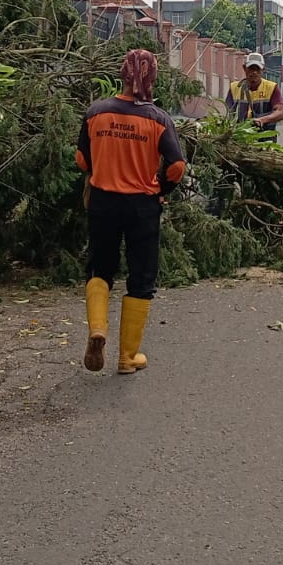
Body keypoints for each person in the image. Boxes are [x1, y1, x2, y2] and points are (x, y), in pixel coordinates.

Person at [77, 49, 187, 374]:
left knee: (100, 267)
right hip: (142, 206)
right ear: (151, 77)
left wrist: (103, 167)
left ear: (122, 75)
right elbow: (177, 166)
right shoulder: (158, 119)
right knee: (141, 276)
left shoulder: (95, 112)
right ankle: (127, 358)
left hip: (102, 201)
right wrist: (160, 189)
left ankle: (98, 329)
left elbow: (81, 160)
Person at [226, 52, 283, 140]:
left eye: (257, 69)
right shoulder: (234, 87)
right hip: (240, 139)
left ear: (263, 69)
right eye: (251, 68)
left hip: (265, 138)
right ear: (244, 68)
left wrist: (262, 120)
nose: (254, 72)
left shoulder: (272, 88)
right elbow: (228, 113)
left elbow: (280, 113)